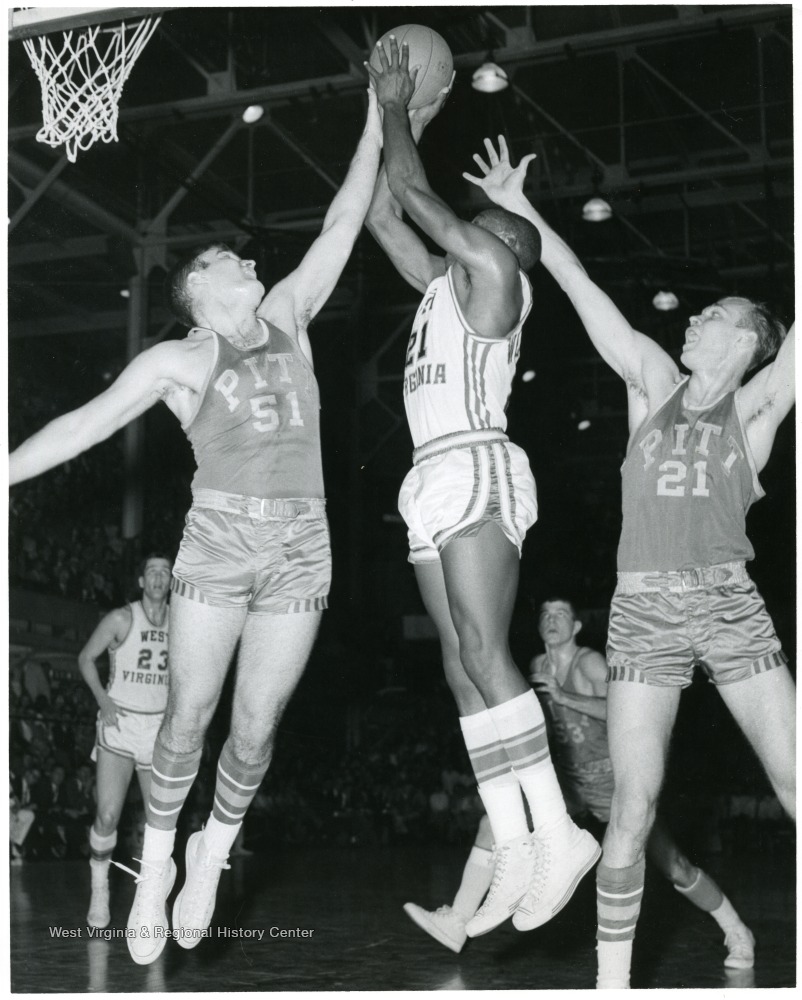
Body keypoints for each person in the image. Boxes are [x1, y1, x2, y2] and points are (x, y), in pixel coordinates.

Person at [9, 89, 383, 965]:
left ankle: (212, 855)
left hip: (302, 544)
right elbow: (84, 425)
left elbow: (344, 217)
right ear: (198, 289)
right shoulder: (178, 358)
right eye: (226, 257)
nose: (245, 260)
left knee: (255, 728)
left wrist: (375, 115)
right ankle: (158, 859)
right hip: (218, 540)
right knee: (189, 716)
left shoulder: (290, 314)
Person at [462, 137, 795, 988]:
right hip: (643, 610)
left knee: (797, 786)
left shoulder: (757, 406)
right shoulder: (650, 379)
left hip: (728, 603)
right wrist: (526, 208)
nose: (692, 321)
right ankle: (612, 989)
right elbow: (580, 288)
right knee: (632, 811)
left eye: (712, 316)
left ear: (750, 340)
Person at [365, 38, 599, 941]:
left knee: (483, 644)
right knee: (459, 663)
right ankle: (512, 841)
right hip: (427, 477)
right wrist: (388, 113)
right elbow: (391, 218)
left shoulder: (500, 276)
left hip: (477, 462)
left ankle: (560, 837)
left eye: (480, 223)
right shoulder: (440, 289)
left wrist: (398, 112)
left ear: (504, 246)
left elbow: (421, 202)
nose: (462, 225)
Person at [405, 598, 755, 970]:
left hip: (614, 780)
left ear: (575, 627)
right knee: (492, 824)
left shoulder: (587, 662)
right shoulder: (537, 666)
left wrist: (562, 696)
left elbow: (622, 712)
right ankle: (458, 921)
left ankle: (736, 931)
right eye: (544, 614)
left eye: (561, 614)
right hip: (572, 781)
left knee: (674, 865)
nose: (551, 619)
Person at [78, 554, 172, 928]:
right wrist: (103, 699)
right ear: (140, 580)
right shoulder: (121, 618)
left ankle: (151, 902)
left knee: (159, 824)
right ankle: (100, 891)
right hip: (120, 725)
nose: (158, 577)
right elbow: (86, 658)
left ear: (170, 581)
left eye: (165, 572)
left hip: (158, 731)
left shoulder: (181, 624)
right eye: (152, 571)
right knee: (107, 815)